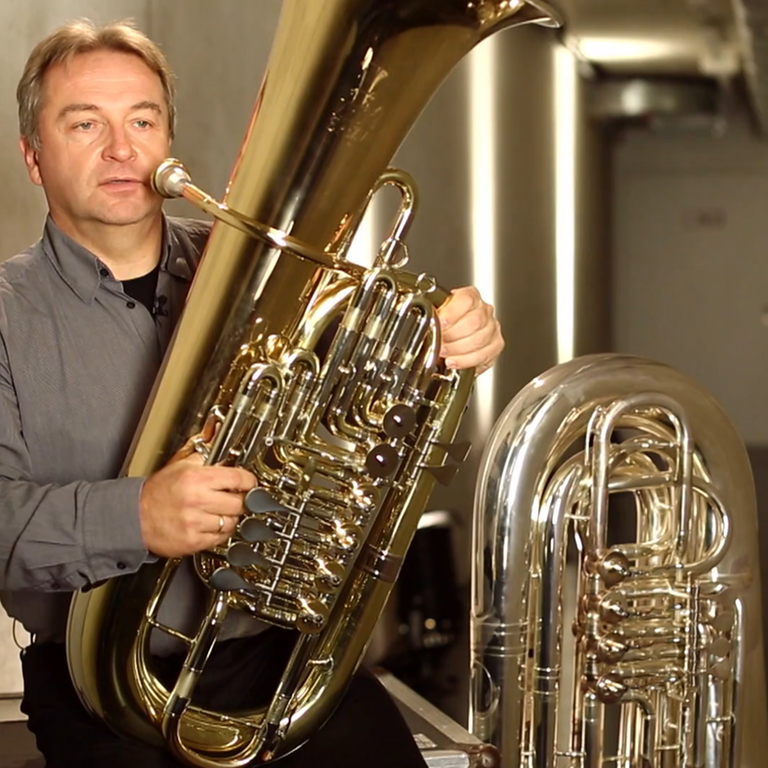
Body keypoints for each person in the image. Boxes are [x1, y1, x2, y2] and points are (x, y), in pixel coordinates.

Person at [0, 18, 505, 768]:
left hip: (283, 658)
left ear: (168, 139)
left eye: (142, 120)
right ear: (33, 156)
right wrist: (136, 516)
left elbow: (365, 401)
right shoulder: (6, 314)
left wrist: (446, 343)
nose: (121, 149)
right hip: (101, 687)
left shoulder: (261, 268)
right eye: (85, 123)